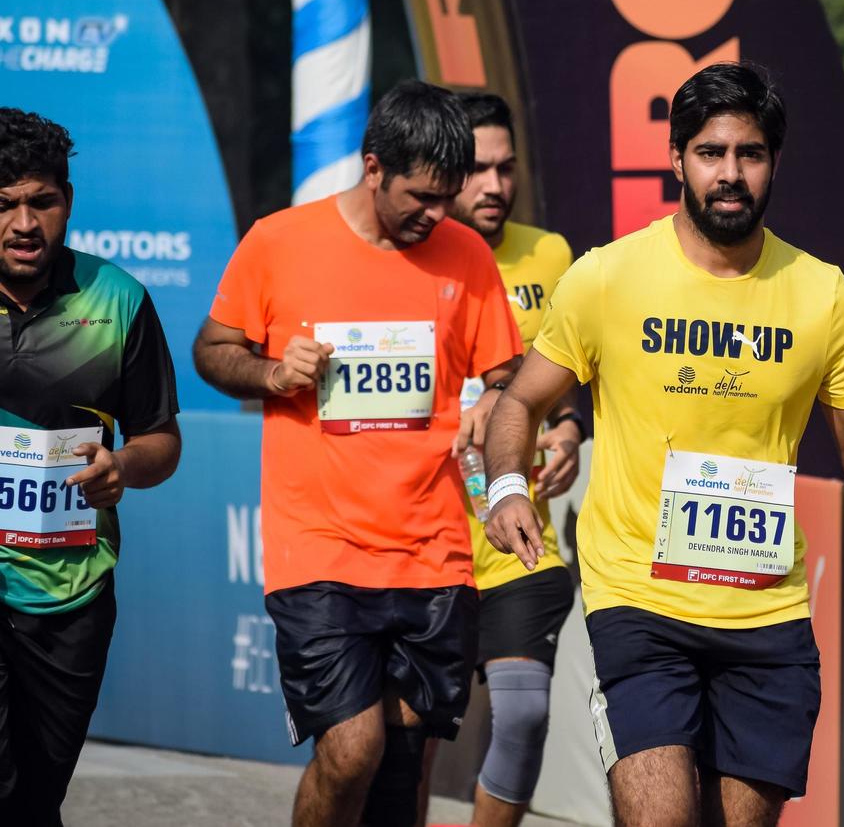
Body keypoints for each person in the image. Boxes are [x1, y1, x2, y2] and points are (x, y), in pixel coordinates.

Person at [481, 62, 844, 827]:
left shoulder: (825, 296)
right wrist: (506, 485)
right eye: (711, 153)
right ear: (677, 159)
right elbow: (522, 401)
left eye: (750, 154)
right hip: (637, 599)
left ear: (774, 163)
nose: (730, 174)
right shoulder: (607, 279)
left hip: (764, 612)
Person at [193, 80, 523, 827]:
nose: (435, 215)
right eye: (420, 196)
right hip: (319, 547)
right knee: (350, 751)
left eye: (448, 198)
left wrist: (494, 412)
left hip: (434, 551)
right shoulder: (279, 242)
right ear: (373, 167)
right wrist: (272, 372)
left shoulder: (466, 257)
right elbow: (213, 351)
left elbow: (509, 381)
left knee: (401, 772)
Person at [0, 108, 181, 826]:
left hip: (69, 592)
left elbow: (162, 441)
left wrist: (123, 468)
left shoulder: (119, 301)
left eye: (41, 201)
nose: (23, 223)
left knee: (35, 799)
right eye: (4, 204)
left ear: (67, 204)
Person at [436, 92, 580, 827]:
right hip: (423, 540)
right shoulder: (410, 260)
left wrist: (567, 430)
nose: (494, 186)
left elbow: (569, 377)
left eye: (506, 168)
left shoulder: (550, 255)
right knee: (412, 739)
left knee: (523, 716)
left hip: (518, 537)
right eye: (477, 170)